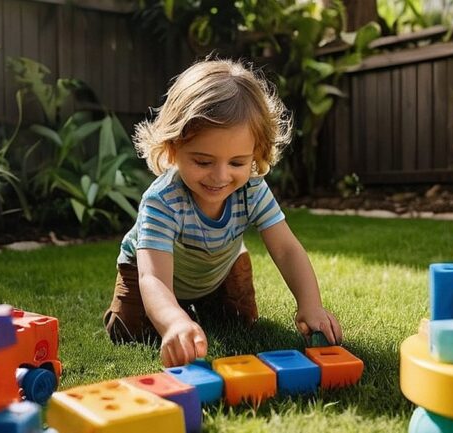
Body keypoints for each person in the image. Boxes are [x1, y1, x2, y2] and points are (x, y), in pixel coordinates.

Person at [102, 59, 343, 367]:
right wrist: (173, 321)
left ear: (256, 153)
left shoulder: (252, 190)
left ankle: (201, 305)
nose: (220, 177)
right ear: (174, 148)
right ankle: (178, 313)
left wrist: (311, 305)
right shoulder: (162, 201)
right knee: (130, 332)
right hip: (149, 272)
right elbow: (154, 279)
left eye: (237, 163)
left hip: (217, 271)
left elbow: (286, 249)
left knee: (239, 323)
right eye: (203, 162)